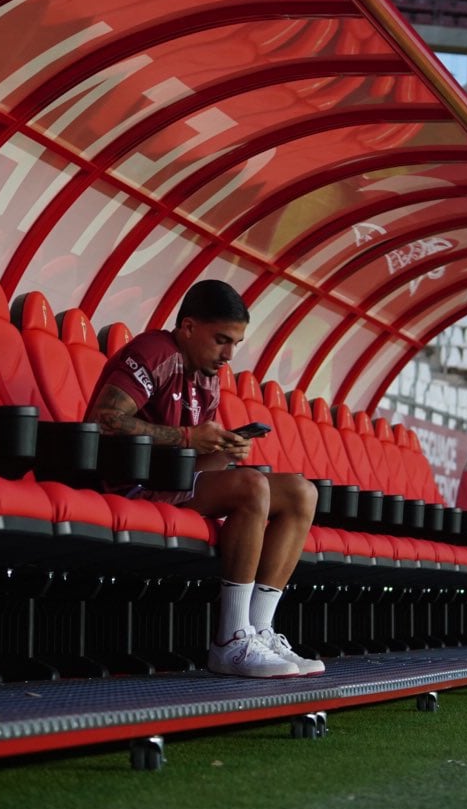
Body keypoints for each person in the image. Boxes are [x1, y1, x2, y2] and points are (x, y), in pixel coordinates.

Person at [85, 279, 322, 679]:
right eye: (221, 340)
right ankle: (230, 641)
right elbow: (103, 420)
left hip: (171, 484)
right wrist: (188, 438)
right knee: (251, 487)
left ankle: (259, 630)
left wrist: (221, 452)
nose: (229, 354)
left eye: (236, 343)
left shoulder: (208, 377)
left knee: (301, 492)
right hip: (129, 485)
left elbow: (196, 468)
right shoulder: (154, 352)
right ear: (189, 327)